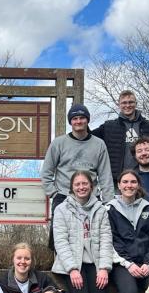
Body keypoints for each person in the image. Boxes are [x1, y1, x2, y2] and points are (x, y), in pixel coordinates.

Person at [41, 104, 114, 250]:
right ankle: (60, 270)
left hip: (91, 199)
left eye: (82, 118)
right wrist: (54, 193)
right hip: (64, 196)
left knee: (94, 241)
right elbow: (46, 172)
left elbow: (105, 175)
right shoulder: (58, 143)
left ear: (87, 120)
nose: (78, 121)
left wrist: (108, 203)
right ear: (70, 121)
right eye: (75, 118)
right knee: (60, 242)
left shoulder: (99, 144)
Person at [92, 89, 149, 187]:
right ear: (119, 105)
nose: (127, 105)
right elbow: (88, 136)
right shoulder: (109, 126)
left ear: (136, 103)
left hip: (144, 178)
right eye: (124, 103)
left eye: (131, 102)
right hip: (118, 181)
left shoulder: (147, 125)